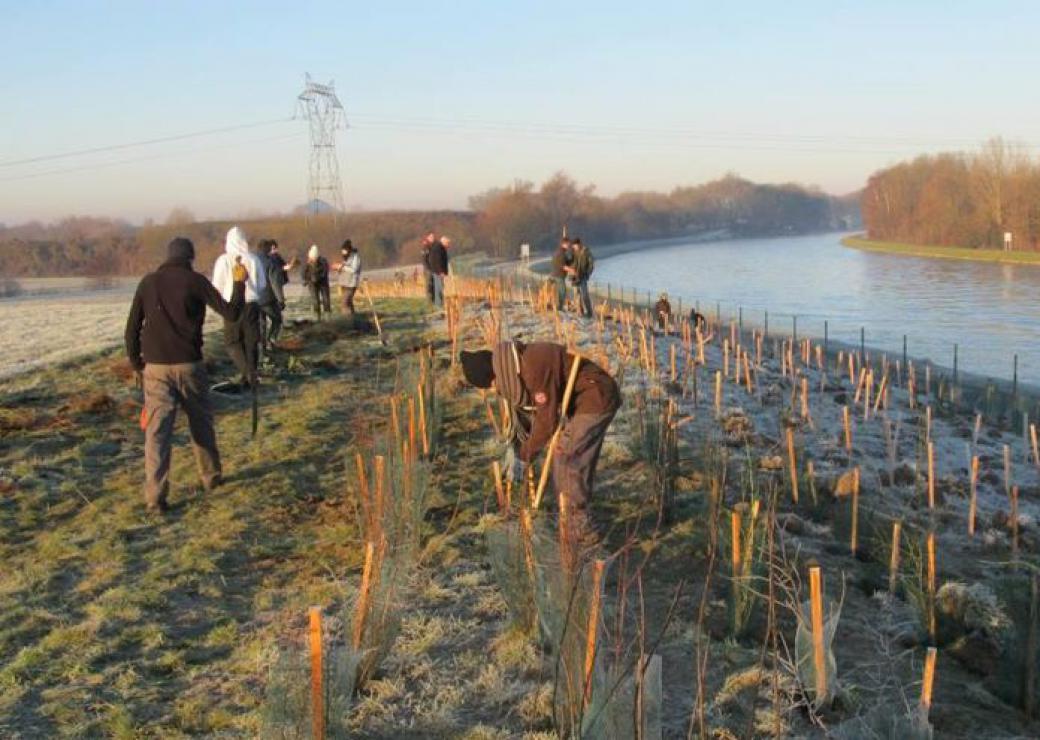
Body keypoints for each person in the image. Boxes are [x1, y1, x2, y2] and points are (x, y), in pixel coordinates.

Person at [124, 237, 247, 513]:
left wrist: (137, 363)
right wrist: (240, 284)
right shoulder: (195, 281)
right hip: (190, 365)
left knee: (157, 434)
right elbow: (232, 312)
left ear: (167, 257)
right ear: (190, 258)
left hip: (155, 368)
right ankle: (211, 478)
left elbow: (132, 328)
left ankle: (155, 498)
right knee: (200, 423)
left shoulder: (148, 282)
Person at [459, 341, 621, 540]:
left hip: (596, 396)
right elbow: (531, 417)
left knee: (567, 457)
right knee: (569, 458)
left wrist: (525, 456)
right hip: (582, 402)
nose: (495, 390)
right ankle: (567, 516)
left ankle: (580, 530)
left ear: (493, 375)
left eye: (491, 386)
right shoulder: (515, 366)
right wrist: (516, 450)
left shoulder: (532, 366)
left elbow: (546, 422)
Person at [212, 226, 265, 386]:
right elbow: (262, 283)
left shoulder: (223, 260)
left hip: (232, 305)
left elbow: (217, 285)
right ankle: (251, 375)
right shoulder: (254, 259)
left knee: (233, 342)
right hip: (252, 303)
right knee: (251, 341)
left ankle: (248, 375)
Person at [256, 239, 286, 351]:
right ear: (268, 249)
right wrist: (281, 300)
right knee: (277, 319)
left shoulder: (251, 260)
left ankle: (262, 348)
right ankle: (271, 340)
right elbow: (275, 283)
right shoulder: (271, 262)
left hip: (254, 299)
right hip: (268, 298)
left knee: (261, 324)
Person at [567, 237, 594, 317]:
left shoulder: (586, 252)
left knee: (585, 295)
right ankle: (580, 311)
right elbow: (569, 262)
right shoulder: (572, 253)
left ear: (579, 244)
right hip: (574, 277)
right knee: (576, 295)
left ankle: (589, 312)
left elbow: (591, 264)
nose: (575, 247)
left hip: (583, 277)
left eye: (576, 245)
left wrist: (587, 274)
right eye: (574, 245)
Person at [302, 245, 331, 320]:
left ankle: (328, 318)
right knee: (315, 301)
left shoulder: (323, 261)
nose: (313, 259)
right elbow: (303, 273)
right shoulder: (307, 264)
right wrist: (306, 280)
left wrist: (318, 278)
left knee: (326, 300)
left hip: (323, 283)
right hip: (312, 284)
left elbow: (325, 272)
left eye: (314, 257)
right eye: (312, 257)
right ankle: (317, 318)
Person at [333, 239, 362, 314]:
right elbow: (344, 268)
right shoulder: (346, 257)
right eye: (342, 251)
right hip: (344, 283)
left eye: (344, 250)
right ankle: (353, 318)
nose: (342, 252)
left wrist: (342, 267)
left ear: (348, 250)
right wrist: (338, 268)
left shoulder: (355, 257)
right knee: (349, 303)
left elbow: (354, 269)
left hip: (351, 284)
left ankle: (347, 319)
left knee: (344, 303)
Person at [550, 238, 572, 310]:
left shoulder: (559, 252)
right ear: (564, 244)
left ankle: (556, 306)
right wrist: (573, 270)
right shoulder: (561, 253)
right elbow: (563, 266)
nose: (569, 245)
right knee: (562, 291)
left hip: (554, 274)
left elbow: (564, 263)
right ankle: (560, 307)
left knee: (558, 291)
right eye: (568, 244)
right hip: (559, 275)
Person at [428, 234, 450, 307]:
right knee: (439, 289)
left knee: (439, 288)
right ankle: (439, 305)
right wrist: (441, 272)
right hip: (438, 272)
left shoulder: (439, 247)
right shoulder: (439, 248)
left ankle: (439, 304)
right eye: (448, 243)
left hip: (437, 271)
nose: (448, 245)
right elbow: (438, 261)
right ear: (444, 242)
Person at [420, 232, 437, 304]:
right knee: (429, 285)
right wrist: (428, 268)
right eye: (431, 237)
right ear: (428, 238)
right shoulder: (425, 246)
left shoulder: (433, 246)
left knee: (433, 285)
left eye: (433, 237)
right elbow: (424, 259)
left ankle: (433, 300)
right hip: (428, 269)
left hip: (433, 268)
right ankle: (429, 301)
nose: (433, 238)